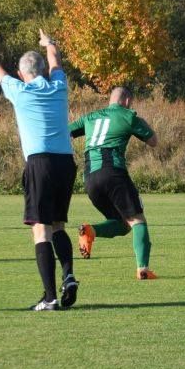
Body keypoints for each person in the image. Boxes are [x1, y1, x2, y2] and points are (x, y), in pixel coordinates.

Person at [0, 29, 78, 311]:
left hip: (39, 162)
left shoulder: (19, 91)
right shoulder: (59, 86)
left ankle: (50, 297)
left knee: (40, 230)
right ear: (42, 70)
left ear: (21, 74)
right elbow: (55, 63)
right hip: (65, 162)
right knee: (58, 226)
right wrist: (49, 44)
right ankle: (68, 275)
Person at [69, 87, 159, 280]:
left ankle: (90, 231)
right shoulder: (128, 115)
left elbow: (65, 132)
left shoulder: (90, 117)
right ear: (126, 101)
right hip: (113, 173)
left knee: (122, 224)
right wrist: (139, 120)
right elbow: (153, 141)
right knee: (137, 220)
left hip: (90, 178)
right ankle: (142, 268)